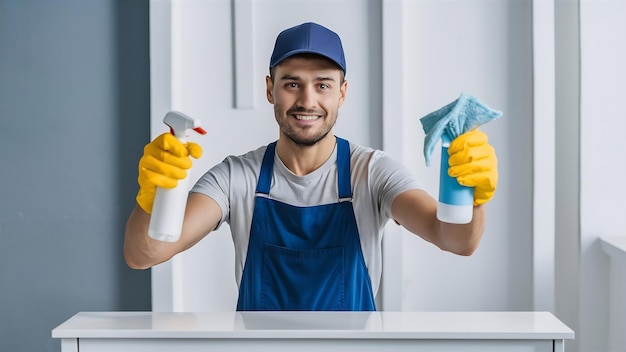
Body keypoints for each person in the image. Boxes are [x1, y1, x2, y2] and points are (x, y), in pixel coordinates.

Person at [124, 22, 498, 311]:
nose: (306, 100)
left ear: (342, 93)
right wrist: (153, 197)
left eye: (322, 85)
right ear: (270, 89)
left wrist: (471, 195)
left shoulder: (372, 173)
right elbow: (144, 255)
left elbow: (455, 239)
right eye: (292, 84)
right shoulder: (237, 178)